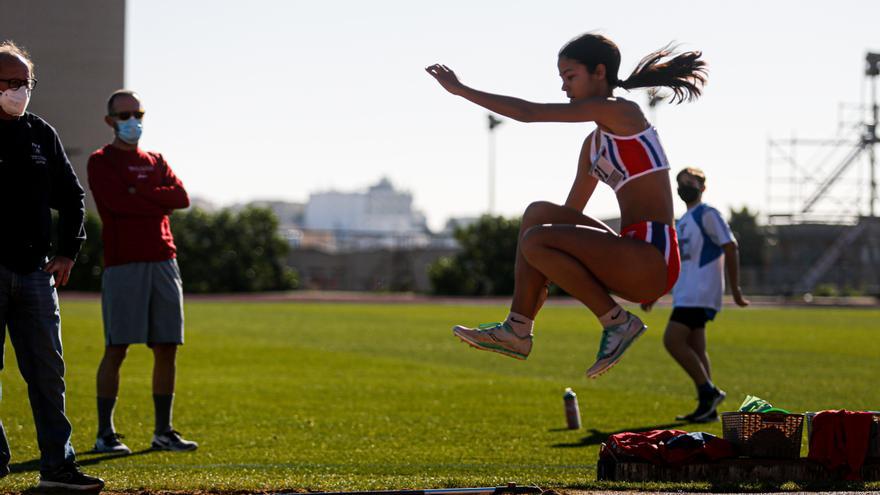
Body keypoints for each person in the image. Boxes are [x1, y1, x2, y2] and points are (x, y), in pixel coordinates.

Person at [426, 33, 706, 378]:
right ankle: (517, 329)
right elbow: (570, 218)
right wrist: (540, 267)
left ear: (599, 72)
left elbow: (529, 113)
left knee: (537, 239)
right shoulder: (593, 145)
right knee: (537, 217)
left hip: (654, 256)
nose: (564, 88)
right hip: (632, 256)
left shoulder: (624, 112)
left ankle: (616, 322)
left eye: (570, 77)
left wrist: (462, 90)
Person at [0, 41, 105, 490]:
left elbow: (73, 197)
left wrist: (67, 252)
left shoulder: (41, 133)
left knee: (48, 372)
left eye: (27, 83)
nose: (21, 91)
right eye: (11, 83)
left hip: (35, 271)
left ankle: (57, 468)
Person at [87, 90, 197, 454]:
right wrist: (153, 198)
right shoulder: (101, 162)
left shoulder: (155, 160)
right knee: (117, 347)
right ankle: (105, 433)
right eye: (124, 115)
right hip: (124, 264)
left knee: (168, 347)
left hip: (164, 260)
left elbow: (180, 197)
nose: (132, 120)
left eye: (138, 113)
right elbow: (117, 204)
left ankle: (163, 431)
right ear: (110, 121)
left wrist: (140, 190)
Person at [648, 167, 749, 422]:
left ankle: (709, 391)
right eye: (680, 183)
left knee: (672, 340)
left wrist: (735, 289)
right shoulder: (682, 222)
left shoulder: (708, 214)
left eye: (690, 182)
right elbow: (675, 264)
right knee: (696, 347)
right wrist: (656, 294)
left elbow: (730, 246)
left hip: (700, 292)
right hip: (686, 293)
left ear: (703, 187)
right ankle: (708, 408)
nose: (684, 186)